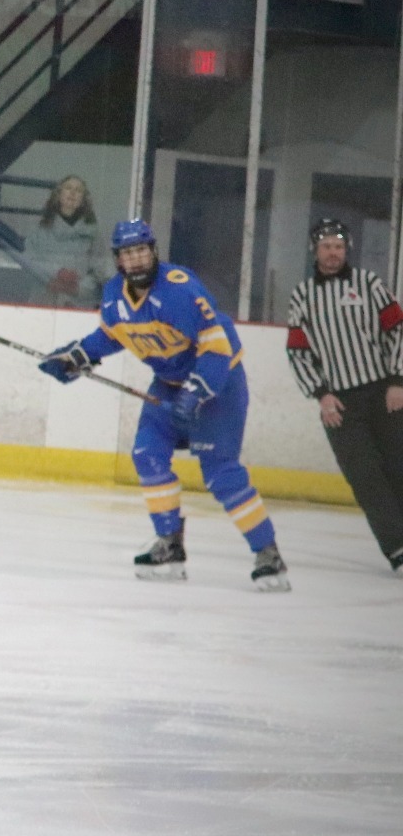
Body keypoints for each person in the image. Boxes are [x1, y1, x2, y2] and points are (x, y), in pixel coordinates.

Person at [39, 219, 290, 591]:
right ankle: (169, 544)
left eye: (142, 251)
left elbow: (218, 346)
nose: (136, 260)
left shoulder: (180, 290)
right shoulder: (113, 296)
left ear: (153, 251)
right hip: (169, 386)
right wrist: (75, 357)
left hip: (219, 382)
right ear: (118, 260)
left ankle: (267, 552)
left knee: (220, 473)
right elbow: (109, 337)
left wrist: (198, 389)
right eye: (128, 254)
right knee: (147, 454)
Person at [284, 220, 403, 572]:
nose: (333, 252)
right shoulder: (303, 295)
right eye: (326, 247)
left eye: (338, 246)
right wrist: (320, 395)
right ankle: (397, 547)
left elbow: (397, 331)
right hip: (339, 403)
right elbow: (297, 350)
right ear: (314, 251)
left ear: (346, 249)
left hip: (384, 393)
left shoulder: (370, 284)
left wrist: (398, 379)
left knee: (398, 467)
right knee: (364, 476)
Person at [30, 175, 107, 305]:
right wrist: (57, 273)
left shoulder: (94, 233)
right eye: (68, 188)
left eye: (78, 190)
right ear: (58, 195)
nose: (72, 193)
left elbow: (100, 272)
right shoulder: (41, 229)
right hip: (43, 302)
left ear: (83, 200)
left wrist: (78, 288)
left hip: (78, 306)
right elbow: (29, 261)